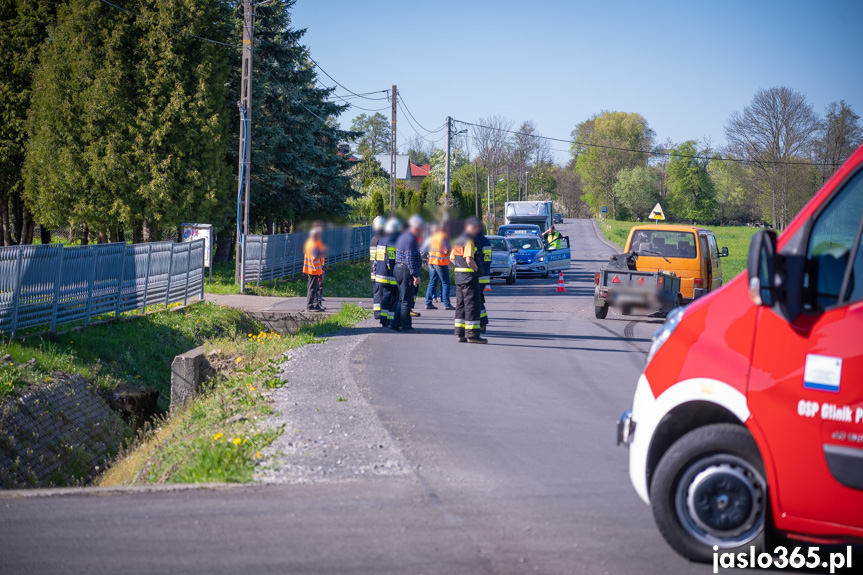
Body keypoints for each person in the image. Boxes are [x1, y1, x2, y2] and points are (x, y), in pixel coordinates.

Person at [451, 217, 486, 344]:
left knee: (460, 305)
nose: (477, 230)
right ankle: (472, 335)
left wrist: (460, 268)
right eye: (475, 227)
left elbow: (452, 259)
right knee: (471, 306)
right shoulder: (469, 241)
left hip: (459, 278)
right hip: (470, 278)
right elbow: (469, 260)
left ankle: (460, 333)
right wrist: (476, 269)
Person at [394, 214, 423, 333]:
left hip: (400, 269)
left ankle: (395, 323)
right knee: (407, 300)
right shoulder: (410, 238)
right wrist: (415, 275)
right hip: (405, 270)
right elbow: (409, 258)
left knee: (402, 299)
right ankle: (406, 326)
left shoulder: (404, 236)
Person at [377, 218, 401, 328]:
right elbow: (390, 259)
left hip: (381, 274)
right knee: (393, 297)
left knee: (385, 297)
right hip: (390, 275)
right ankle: (389, 320)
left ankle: (383, 320)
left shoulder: (381, 240)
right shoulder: (393, 241)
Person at [425, 223, 454, 310]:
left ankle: (428, 302)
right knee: (445, 283)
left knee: (432, 283)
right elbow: (446, 250)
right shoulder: (444, 237)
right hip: (441, 262)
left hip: (432, 262)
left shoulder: (432, 237)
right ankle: (447, 304)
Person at [303, 221, 326, 312]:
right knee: (312, 287)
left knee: (315, 287)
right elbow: (315, 257)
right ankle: (309, 306)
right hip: (313, 269)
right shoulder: (314, 243)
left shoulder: (310, 241)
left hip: (312, 268)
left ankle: (316, 305)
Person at [369, 216, 387, 320]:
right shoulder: (381, 240)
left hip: (373, 271)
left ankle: (377, 311)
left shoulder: (373, 239)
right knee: (380, 293)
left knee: (376, 292)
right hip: (380, 271)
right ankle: (378, 313)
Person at [475, 224, 492, 332]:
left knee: (476, 300)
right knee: (478, 299)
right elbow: (488, 260)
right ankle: (482, 323)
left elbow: (473, 258)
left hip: (476, 275)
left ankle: (482, 323)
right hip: (484, 275)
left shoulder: (475, 241)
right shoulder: (486, 241)